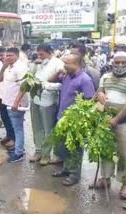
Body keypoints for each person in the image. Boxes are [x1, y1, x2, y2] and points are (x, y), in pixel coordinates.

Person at [91, 52, 126, 203]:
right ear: (112, 62)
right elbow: (99, 93)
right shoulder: (105, 77)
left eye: (123, 63)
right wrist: (99, 95)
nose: (120, 65)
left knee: (124, 154)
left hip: (124, 121)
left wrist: (116, 119)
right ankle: (105, 178)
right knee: (106, 151)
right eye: (117, 62)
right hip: (105, 121)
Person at [49, 54, 95, 186]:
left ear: (76, 64)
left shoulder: (85, 80)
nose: (64, 66)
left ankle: (74, 175)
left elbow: (89, 101)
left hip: (75, 121)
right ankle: (66, 169)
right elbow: (50, 80)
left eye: (66, 63)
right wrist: (60, 71)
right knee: (63, 147)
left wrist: (80, 120)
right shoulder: (67, 76)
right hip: (62, 118)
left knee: (74, 149)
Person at [28, 44, 64, 165]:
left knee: (48, 129)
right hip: (35, 100)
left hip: (49, 101)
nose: (40, 57)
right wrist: (34, 64)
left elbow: (61, 84)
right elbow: (30, 76)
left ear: (50, 53)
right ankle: (38, 151)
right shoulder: (37, 64)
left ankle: (46, 154)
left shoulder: (58, 64)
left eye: (42, 54)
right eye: (38, 54)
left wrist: (46, 86)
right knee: (36, 127)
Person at [0, 48, 29, 163]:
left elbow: (24, 86)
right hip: (8, 102)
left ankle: (19, 153)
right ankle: (18, 149)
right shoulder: (8, 68)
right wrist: (4, 67)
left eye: (11, 55)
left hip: (16, 104)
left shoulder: (20, 68)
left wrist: (16, 102)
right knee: (14, 127)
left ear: (17, 56)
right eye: (7, 55)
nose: (8, 57)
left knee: (18, 128)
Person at [0, 48, 15, 149]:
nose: (1, 57)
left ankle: (14, 139)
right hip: (1, 95)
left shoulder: (13, 65)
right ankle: (8, 135)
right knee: (4, 117)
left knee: (11, 118)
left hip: (10, 96)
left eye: (2, 55)